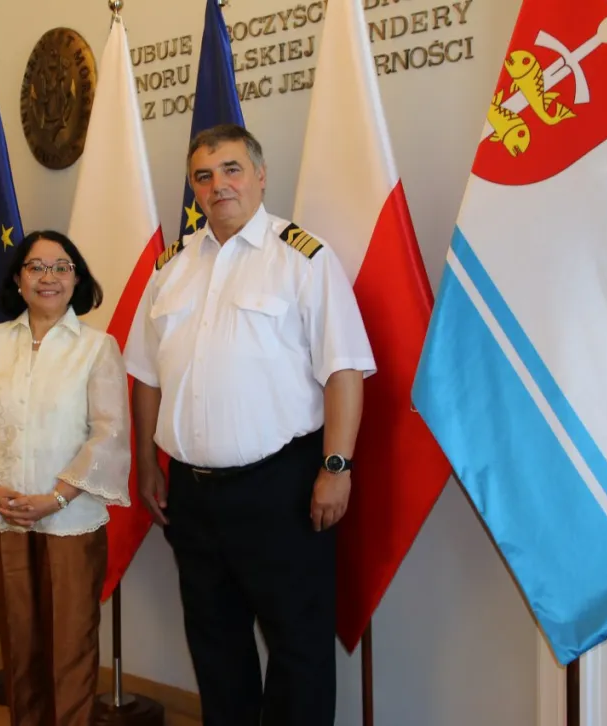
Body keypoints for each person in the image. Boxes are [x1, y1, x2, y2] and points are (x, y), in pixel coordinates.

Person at [124, 124, 377, 726]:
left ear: (260, 176)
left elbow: (344, 369)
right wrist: (146, 462)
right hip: (192, 493)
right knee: (215, 647)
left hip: (282, 488)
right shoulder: (170, 268)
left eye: (232, 170)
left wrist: (337, 467)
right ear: (194, 188)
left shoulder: (303, 259)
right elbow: (146, 375)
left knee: (298, 648)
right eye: (204, 176)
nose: (219, 185)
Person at [0, 230, 131, 726]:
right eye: (36, 266)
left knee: (71, 644)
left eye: (61, 267)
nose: (48, 277)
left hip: (71, 519)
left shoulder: (97, 348)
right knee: (19, 640)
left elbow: (110, 433)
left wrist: (57, 497)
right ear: (18, 278)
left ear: (77, 278)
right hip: (3, 517)